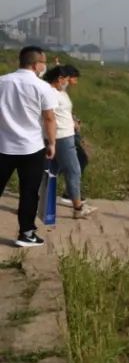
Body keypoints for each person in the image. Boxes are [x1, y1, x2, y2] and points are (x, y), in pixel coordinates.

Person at [0, 46, 58, 248]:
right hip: (31, 148)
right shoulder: (42, 87)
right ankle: (26, 234)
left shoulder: (2, 81)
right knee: (29, 192)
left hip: (3, 145)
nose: (45, 66)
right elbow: (49, 118)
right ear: (35, 64)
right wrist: (52, 143)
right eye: (44, 62)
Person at [42, 66, 95, 219]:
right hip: (61, 137)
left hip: (67, 134)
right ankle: (78, 208)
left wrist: (73, 121)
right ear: (59, 79)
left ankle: (41, 202)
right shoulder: (50, 93)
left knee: (52, 171)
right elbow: (49, 117)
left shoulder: (60, 92)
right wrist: (52, 141)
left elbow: (64, 112)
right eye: (66, 79)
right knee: (74, 170)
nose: (67, 82)